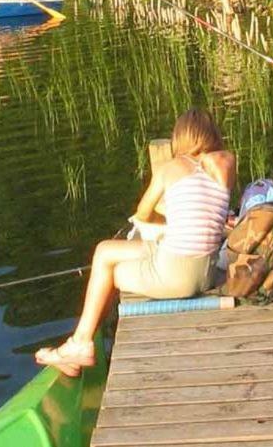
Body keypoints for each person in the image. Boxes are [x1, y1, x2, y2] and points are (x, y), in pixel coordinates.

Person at [34, 109, 235, 376]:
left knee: (107, 262)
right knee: (110, 253)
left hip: (175, 278)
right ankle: (83, 341)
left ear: (179, 139)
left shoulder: (170, 168)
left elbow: (142, 213)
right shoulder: (227, 162)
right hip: (207, 274)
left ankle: (82, 343)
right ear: (213, 134)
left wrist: (162, 211)